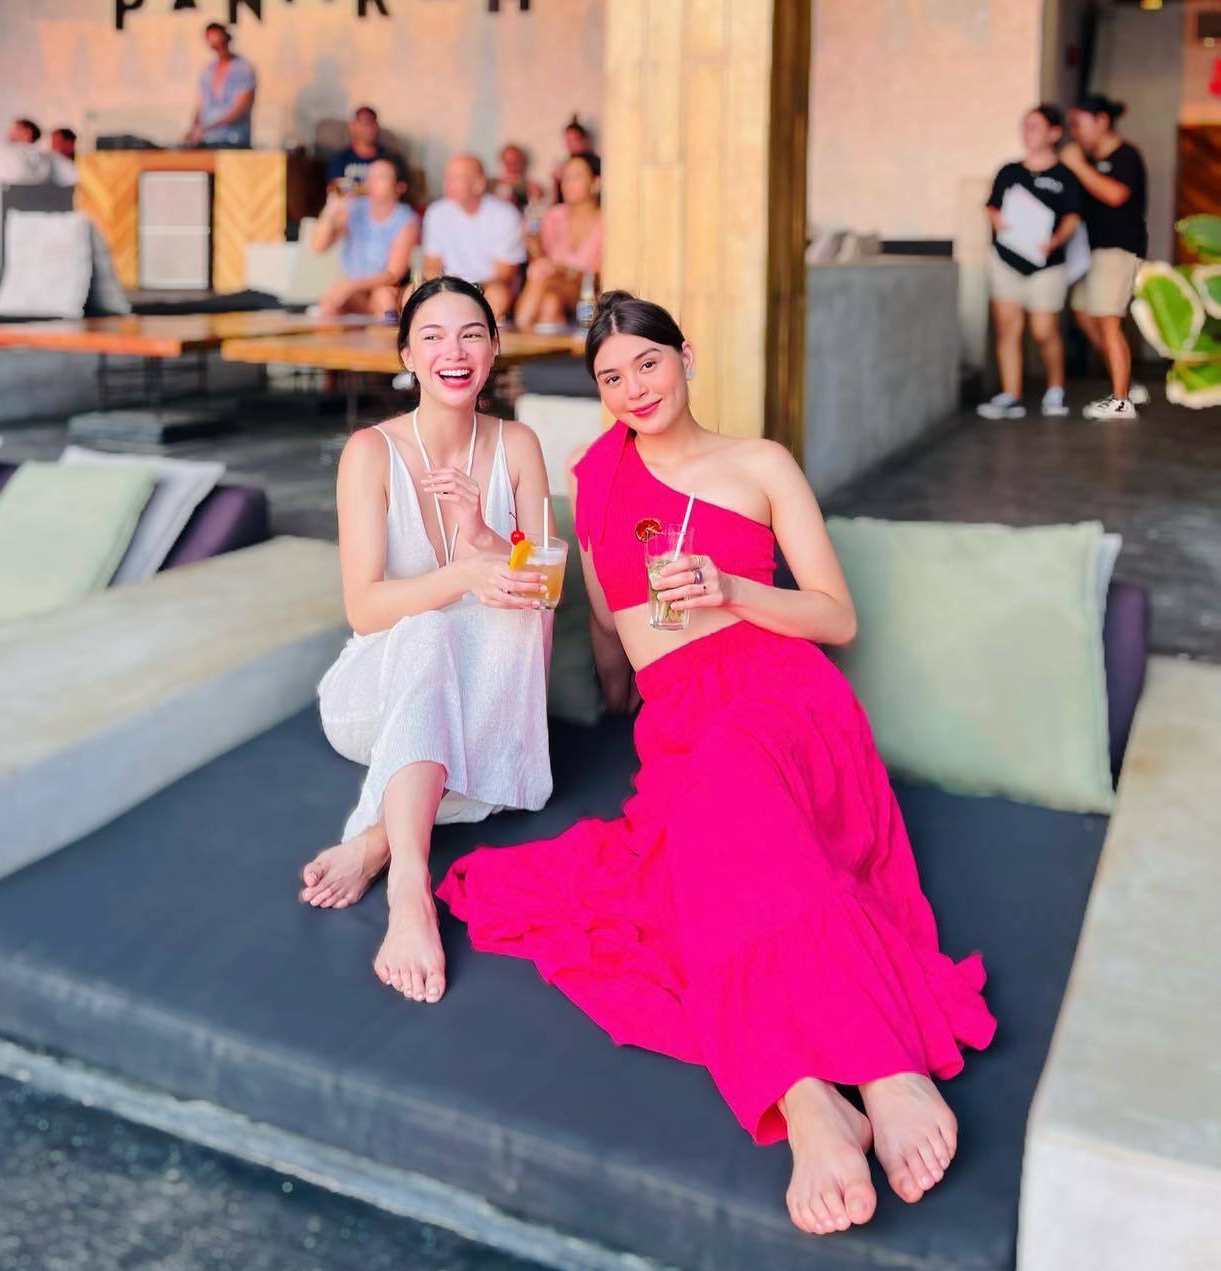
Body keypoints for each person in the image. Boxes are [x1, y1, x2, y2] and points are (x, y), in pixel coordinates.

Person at [438, 292, 996, 1238]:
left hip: (782, 698)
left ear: (685, 356)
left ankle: (872, 1071)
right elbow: (604, 619)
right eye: (611, 377)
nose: (633, 388)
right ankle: (817, 1096)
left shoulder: (760, 463)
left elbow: (837, 617)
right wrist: (504, 562)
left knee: (728, 778)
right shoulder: (599, 480)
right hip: (679, 723)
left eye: (647, 363)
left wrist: (733, 586)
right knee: (699, 836)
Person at [301, 277, 554, 1005]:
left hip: (486, 699)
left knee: (516, 614)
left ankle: (378, 840)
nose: (455, 351)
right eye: (434, 336)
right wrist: (463, 575)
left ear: (495, 348)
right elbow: (365, 609)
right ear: (407, 354)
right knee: (428, 628)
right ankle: (409, 888)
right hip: (380, 693)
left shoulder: (518, 445)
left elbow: (545, 592)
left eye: (472, 334)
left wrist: (482, 537)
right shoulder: (370, 452)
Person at [976, 104, 1082, 420]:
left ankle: (1055, 389)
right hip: (1007, 258)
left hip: (1045, 263)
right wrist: (996, 219)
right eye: (1024, 126)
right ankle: (1011, 394)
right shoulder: (1009, 171)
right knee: (1007, 328)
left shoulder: (1064, 175)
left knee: (1043, 330)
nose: (1027, 132)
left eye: (1035, 126)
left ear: (1054, 133)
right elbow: (992, 205)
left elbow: (1072, 217)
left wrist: (1055, 240)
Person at [1060, 95, 1149, 422]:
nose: (1074, 132)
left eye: (1078, 124)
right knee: (1084, 313)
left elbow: (1115, 195)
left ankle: (1121, 401)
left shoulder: (1126, 155)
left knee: (1108, 320)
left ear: (1101, 121)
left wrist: (1077, 165)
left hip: (1118, 249)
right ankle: (1126, 384)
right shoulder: (1090, 159)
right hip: (1091, 252)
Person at [420, 155, 528, 321]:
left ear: (479, 183)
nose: (448, 184)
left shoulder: (505, 214)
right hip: (447, 286)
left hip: (487, 288)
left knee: (498, 295)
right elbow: (431, 264)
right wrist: (445, 287)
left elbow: (504, 274)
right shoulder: (436, 212)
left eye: (457, 178)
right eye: (447, 177)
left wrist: (467, 291)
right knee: (411, 292)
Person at [310, 157, 419, 319]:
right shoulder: (354, 208)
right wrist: (331, 209)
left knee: (385, 299)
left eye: (381, 177)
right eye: (370, 176)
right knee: (330, 302)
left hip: (386, 287)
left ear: (399, 187)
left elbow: (393, 274)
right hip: (355, 290)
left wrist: (350, 285)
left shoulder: (406, 218)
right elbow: (317, 246)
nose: (371, 182)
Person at [514, 153, 603, 329]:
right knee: (550, 303)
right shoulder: (553, 216)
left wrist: (562, 270)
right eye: (565, 178)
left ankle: (519, 330)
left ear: (596, 182)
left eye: (576, 177)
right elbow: (540, 263)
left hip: (588, 294)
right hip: (553, 289)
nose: (568, 184)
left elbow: (600, 277)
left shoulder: (605, 222)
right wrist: (534, 246)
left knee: (544, 283)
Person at [182, 23, 256, 147]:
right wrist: (193, 128)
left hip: (234, 140)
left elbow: (240, 107)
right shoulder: (208, 70)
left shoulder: (243, 69)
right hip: (208, 140)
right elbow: (200, 105)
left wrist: (208, 127)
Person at [324, 106, 406, 190]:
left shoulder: (389, 157)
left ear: (377, 126)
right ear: (352, 126)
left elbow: (399, 187)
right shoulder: (339, 158)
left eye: (372, 122)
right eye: (364, 123)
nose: (369, 127)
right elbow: (335, 188)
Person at [551, 115, 597, 199]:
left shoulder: (595, 163)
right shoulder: (565, 164)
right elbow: (557, 198)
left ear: (584, 139)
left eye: (574, 140)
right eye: (568, 141)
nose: (571, 144)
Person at [490, 143, 545, 212]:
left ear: (521, 162)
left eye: (515, 162)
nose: (512, 166)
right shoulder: (494, 184)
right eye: (508, 162)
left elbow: (537, 201)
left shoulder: (532, 186)